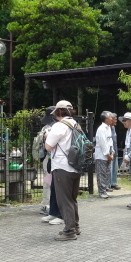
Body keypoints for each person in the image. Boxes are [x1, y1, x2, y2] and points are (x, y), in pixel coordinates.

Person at [45, 100, 81, 241]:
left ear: (59, 111)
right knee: (72, 199)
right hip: (75, 166)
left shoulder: (59, 126)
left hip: (62, 167)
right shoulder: (75, 124)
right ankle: (75, 226)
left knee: (64, 200)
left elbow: (48, 147)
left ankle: (69, 231)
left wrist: (47, 136)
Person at [94, 111, 115, 198]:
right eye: (110, 117)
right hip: (102, 155)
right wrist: (107, 154)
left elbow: (110, 141)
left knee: (107, 172)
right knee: (101, 173)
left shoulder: (109, 128)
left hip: (108, 154)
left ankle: (105, 189)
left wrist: (112, 152)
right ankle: (101, 191)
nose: (112, 119)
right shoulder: (101, 129)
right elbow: (102, 143)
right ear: (106, 119)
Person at [110, 113, 121, 190]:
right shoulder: (106, 128)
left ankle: (114, 183)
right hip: (110, 151)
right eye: (115, 119)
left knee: (115, 168)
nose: (116, 120)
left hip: (115, 150)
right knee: (110, 168)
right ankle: (109, 184)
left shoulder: (113, 128)